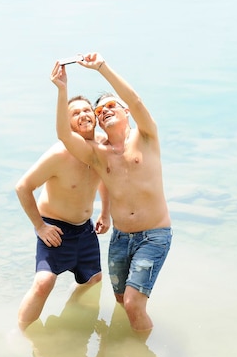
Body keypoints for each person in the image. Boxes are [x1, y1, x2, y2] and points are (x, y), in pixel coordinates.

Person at [51, 52, 172, 334]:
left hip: (154, 235)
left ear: (125, 111)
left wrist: (101, 68)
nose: (104, 111)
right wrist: (62, 90)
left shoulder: (146, 137)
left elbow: (136, 100)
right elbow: (64, 135)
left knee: (132, 303)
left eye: (110, 106)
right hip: (120, 238)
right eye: (99, 111)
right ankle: (126, 349)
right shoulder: (98, 154)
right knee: (121, 301)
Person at [16, 94, 110, 332]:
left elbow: (105, 180)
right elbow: (23, 187)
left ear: (95, 115)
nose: (83, 115)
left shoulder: (103, 147)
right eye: (75, 113)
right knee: (43, 283)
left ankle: (69, 314)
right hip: (54, 228)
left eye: (86, 110)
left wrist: (105, 213)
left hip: (85, 229)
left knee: (93, 280)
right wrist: (40, 226)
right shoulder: (59, 154)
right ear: (68, 125)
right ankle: (21, 333)